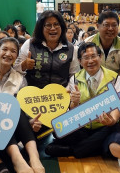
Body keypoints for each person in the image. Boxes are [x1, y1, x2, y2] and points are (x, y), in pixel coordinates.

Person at [0, 37, 44, 173]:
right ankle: (17, 159)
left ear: (17, 56)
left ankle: (34, 157)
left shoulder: (20, 79)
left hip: (15, 131)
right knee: (2, 108)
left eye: (13, 51)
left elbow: (24, 111)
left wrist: (32, 121)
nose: (8, 54)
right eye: (5, 49)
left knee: (14, 106)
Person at [45, 42, 120, 158]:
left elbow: (118, 106)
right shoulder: (75, 79)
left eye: (93, 56)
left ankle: (72, 151)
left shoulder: (114, 78)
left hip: (104, 127)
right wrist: (74, 103)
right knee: (58, 130)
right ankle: (94, 148)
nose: (90, 61)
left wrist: (112, 120)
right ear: (80, 61)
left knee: (114, 129)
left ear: (100, 57)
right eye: (85, 58)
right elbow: (72, 112)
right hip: (82, 128)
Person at [14, 10, 79, 141]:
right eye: (48, 25)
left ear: (62, 27)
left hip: (59, 101)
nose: (53, 28)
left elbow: (74, 75)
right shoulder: (30, 44)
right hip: (33, 100)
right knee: (29, 134)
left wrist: (67, 92)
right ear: (41, 28)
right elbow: (15, 71)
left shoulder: (71, 49)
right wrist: (24, 65)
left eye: (56, 24)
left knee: (68, 134)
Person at [84, 11, 120, 78]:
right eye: (106, 25)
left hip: (114, 85)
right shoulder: (86, 44)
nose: (111, 29)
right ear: (97, 26)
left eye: (114, 25)